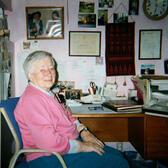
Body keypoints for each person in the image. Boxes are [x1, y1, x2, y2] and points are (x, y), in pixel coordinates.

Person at [14, 50, 129, 168]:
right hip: (48, 157)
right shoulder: (32, 99)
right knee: (117, 162)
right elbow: (49, 143)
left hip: (65, 146)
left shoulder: (47, 93)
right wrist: (83, 146)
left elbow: (67, 114)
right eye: (42, 70)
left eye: (51, 68)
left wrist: (83, 131)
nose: (49, 73)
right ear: (30, 75)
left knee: (117, 155)